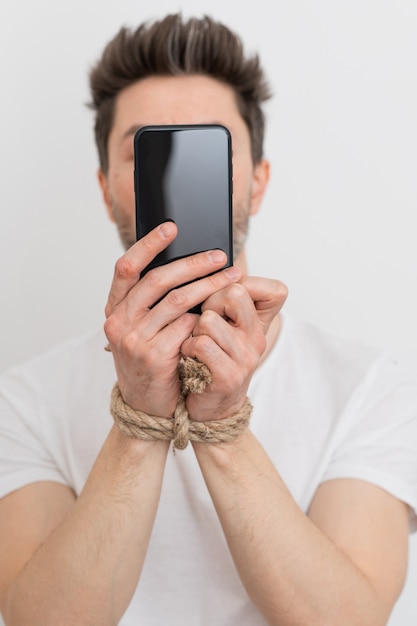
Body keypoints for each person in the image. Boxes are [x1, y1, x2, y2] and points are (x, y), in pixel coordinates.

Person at [0, 13, 416, 626]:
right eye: (148, 150)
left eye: (209, 147)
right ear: (106, 187)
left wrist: (222, 423)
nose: (177, 184)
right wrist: (140, 419)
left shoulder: (372, 386)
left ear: (257, 179)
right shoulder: (24, 399)